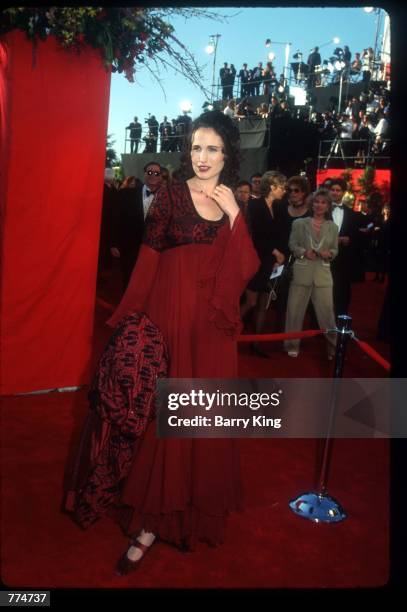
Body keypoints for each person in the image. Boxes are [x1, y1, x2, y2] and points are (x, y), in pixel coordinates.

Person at [66, 110, 260, 574]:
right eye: (196, 147)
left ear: (228, 153)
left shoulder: (233, 202)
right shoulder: (170, 196)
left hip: (211, 332)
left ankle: (189, 513)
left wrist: (234, 214)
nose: (203, 156)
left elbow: (246, 267)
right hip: (169, 321)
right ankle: (150, 524)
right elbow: (148, 261)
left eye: (213, 148)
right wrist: (133, 320)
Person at [284, 189, 338, 359]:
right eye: (316, 201)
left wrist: (329, 254)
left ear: (328, 206)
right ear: (311, 204)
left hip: (323, 275)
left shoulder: (333, 227)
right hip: (302, 272)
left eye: (323, 202)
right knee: (294, 312)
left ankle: (333, 348)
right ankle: (291, 345)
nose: (319, 205)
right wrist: (302, 252)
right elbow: (292, 244)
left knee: (327, 315)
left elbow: (335, 249)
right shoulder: (299, 223)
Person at [241, 171, 287, 357]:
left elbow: (280, 234)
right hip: (256, 260)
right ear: (273, 187)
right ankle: (224, 332)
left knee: (263, 304)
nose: (284, 190)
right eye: (282, 187)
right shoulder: (255, 205)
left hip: (270, 262)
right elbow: (256, 237)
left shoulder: (279, 206)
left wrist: (276, 259)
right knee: (251, 301)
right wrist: (275, 253)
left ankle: (257, 342)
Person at [110, 162, 163, 290]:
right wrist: (113, 243)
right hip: (130, 247)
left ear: (161, 176)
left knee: (151, 283)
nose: (153, 175)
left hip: (155, 248)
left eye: (156, 173)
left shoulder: (167, 197)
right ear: (144, 174)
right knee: (129, 280)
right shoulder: (126, 194)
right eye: (149, 172)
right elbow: (116, 219)